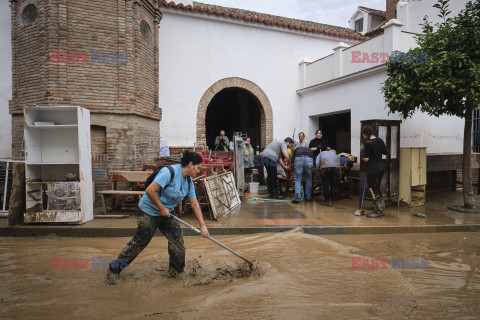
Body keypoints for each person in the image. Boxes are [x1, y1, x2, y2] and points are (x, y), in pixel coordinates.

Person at [105, 151, 209, 284]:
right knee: (140, 241)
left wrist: (203, 226)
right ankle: (113, 269)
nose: (199, 171)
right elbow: (150, 190)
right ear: (190, 164)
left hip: (168, 213)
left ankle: (176, 270)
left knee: (177, 241)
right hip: (149, 210)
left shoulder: (188, 181)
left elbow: (194, 203)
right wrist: (161, 208)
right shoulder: (169, 172)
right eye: (198, 167)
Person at [362, 125, 388, 218]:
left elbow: (365, 159)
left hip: (372, 169)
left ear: (365, 134)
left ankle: (378, 211)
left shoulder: (368, 143)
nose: (363, 137)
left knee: (372, 189)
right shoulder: (380, 140)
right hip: (381, 167)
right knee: (377, 187)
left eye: (363, 135)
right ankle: (381, 209)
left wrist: (365, 156)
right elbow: (386, 152)